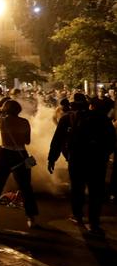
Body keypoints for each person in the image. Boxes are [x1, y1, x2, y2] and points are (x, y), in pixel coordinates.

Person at [48, 94, 116, 235]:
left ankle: (77, 216)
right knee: (96, 191)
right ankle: (94, 222)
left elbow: (58, 140)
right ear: (88, 105)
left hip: (77, 159)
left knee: (77, 189)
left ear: (72, 106)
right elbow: (112, 139)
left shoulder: (67, 118)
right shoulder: (102, 118)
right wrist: (104, 155)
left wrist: (52, 158)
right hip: (97, 160)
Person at [0, 99, 39, 231]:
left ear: (6, 109)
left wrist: (0, 111)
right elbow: (27, 141)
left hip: (5, 154)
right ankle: (31, 219)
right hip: (21, 155)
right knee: (26, 188)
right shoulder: (25, 122)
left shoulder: (3, 121)